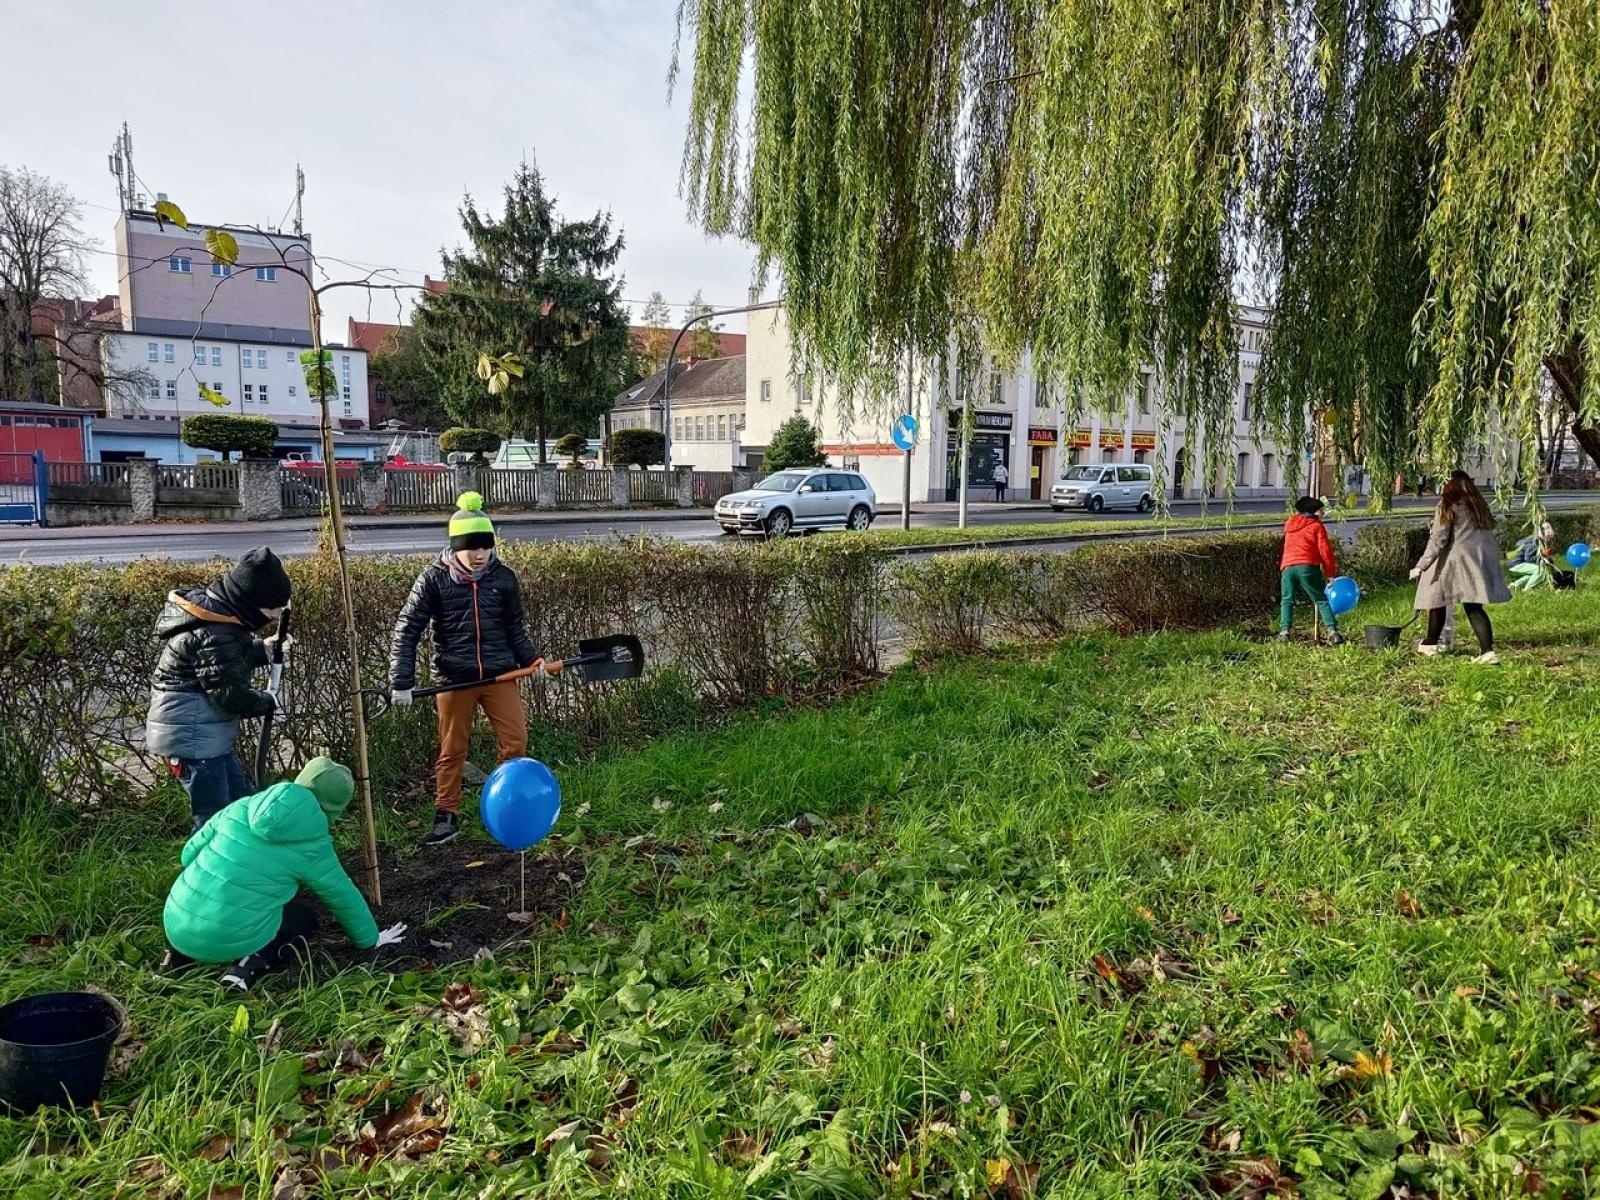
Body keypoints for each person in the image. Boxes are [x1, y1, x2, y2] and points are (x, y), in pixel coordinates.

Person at [161, 757, 405, 990]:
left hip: (176, 921)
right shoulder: (313, 847)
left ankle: (177, 956)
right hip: (230, 938)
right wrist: (372, 939)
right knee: (302, 918)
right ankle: (248, 968)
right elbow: (343, 897)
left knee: (215, 899)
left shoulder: (241, 806)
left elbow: (187, 855)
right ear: (334, 808)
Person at [390, 493, 540, 846]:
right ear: (455, 547)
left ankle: (503, 805)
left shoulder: (503, 578)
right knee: (452, 748)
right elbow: (407, 628)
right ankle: (447, 814)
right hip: (454, 678)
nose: (479, 555)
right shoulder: (433, 579)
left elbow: (514, 627)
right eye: (471, 548)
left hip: (499, 674)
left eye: (485, 547)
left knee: (515, 740)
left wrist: (531, 660)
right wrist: (401, 680)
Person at [146, 547, 291, 831]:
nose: (274, 617)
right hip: (193, 740)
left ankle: (241, 865)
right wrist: (265, 701)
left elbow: (227, 662)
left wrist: (263, 649)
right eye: (271, 610)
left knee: (241, 803)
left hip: (205, 738)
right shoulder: (213, 633)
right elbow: (230, 693)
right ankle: (207, 871)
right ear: (249, 603)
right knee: (215, 820)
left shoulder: (220, 626)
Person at [1410, 470, 1512, 663]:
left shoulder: (1448, 505)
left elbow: (1438, 539)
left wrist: (1420, 566)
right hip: (1478, 560)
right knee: (1473, 606)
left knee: (1437, 598)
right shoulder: (1478, 505)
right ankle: (1487, 651)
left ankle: (1431, 644)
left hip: (1457, 561)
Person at [1278, 496, 1342, 645]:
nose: (1323, 513)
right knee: (1320, 599)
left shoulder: (1290, 526)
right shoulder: (1316, 526)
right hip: (1307, 566)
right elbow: (1325, 552)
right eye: (1321, 510)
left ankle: (1284, 633)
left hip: (1287, 567)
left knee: (1287, 600)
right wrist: (1330, 574)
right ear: (1313, 512)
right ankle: (1333, 632)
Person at [1508, 521, 1557, 592]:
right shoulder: (1534, 542)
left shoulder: (1538, 540)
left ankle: (1515, 585)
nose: (1547, 541)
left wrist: (1549, 559)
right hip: (1517, 564)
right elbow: (1528, 559)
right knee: (1541, 571)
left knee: (1534, 573)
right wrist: (1542, 555)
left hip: (1517, 563)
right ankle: (1527, 589)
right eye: (1547, 538)